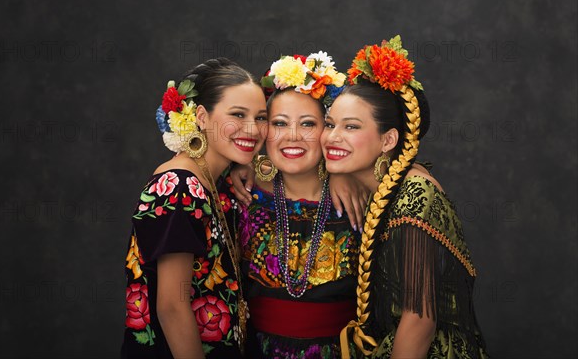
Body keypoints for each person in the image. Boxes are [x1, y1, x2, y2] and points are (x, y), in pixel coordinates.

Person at [323, 37, 489, 358]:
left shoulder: (415, 192)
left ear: (388, 140)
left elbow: (419, 319)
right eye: (330, 124)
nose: (332, 137)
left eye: (351, 126)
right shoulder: (377, 179)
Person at [121, 58, 268, 359]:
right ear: (201, 116)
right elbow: (172, 307)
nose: (253, 130)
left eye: (261, 117)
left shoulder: (219, 181)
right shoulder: (179, 186)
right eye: (238, 115)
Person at [238, 52, 361, 358]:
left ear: (327, 129)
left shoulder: (357, 198)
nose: (292, 136)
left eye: (308, 124)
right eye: (279, 123)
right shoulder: (243, 194)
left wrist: (341, 172)